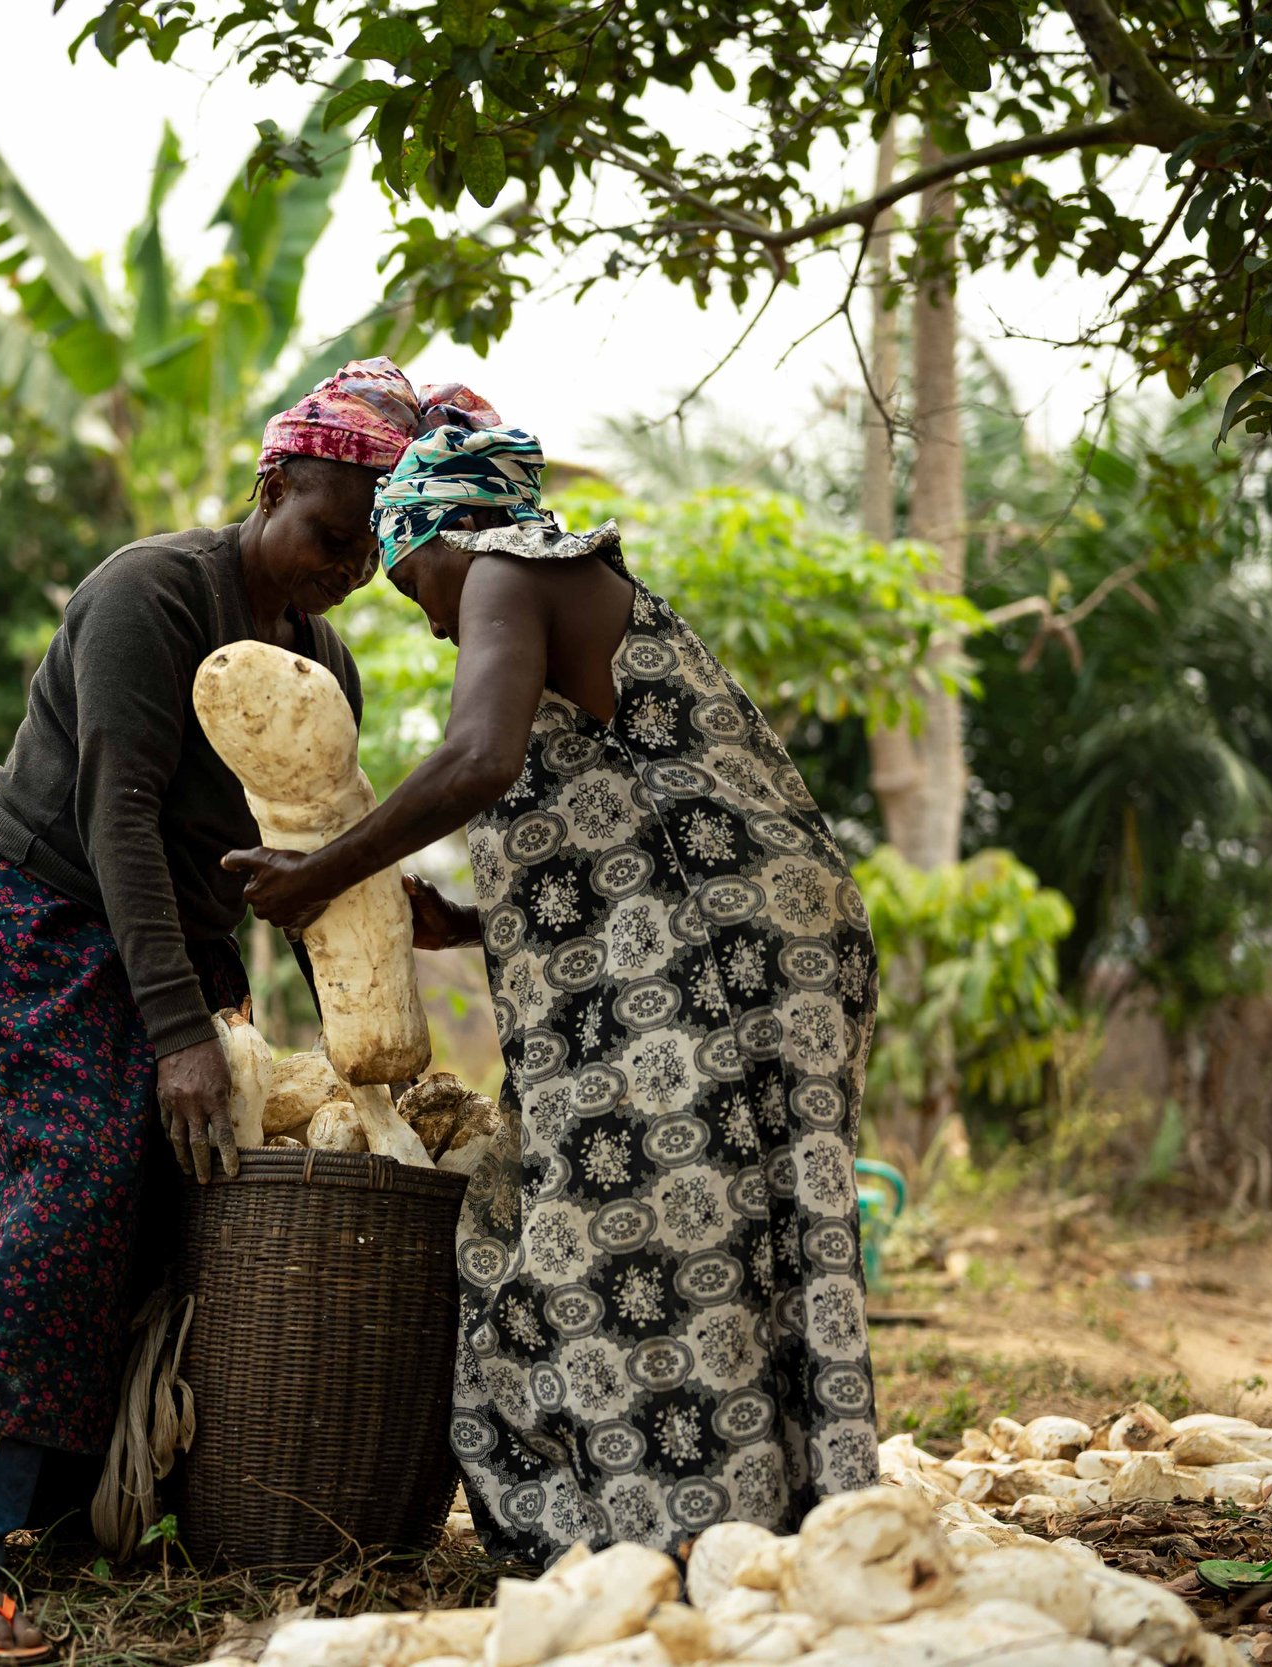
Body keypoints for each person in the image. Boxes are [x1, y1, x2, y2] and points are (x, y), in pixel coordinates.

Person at [0, 362, 497, 1661]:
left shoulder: (322, 661)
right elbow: (115, 819)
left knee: (176, 1214)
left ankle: (53, 1503)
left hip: (181, 948)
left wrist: (378, 935)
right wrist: (176, 1036)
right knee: (55, 1200)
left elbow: (291, 856)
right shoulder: (147, 593)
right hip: (44, 918)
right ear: (276, 481)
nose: (343, 568)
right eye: (331, 531)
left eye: (367, 548)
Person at [226, 423, 882, 1567]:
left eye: (406, 574)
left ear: (443, 531)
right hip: (751, 949)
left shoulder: (505, 569)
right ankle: (743, 1537)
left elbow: (476, 757)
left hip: (725, 965)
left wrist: (318, 872)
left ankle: (669, 1542)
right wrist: (467, 921)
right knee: (686, 1235)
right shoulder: (555, 589)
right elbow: (633, 822)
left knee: (622, 1240)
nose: (428, 616)